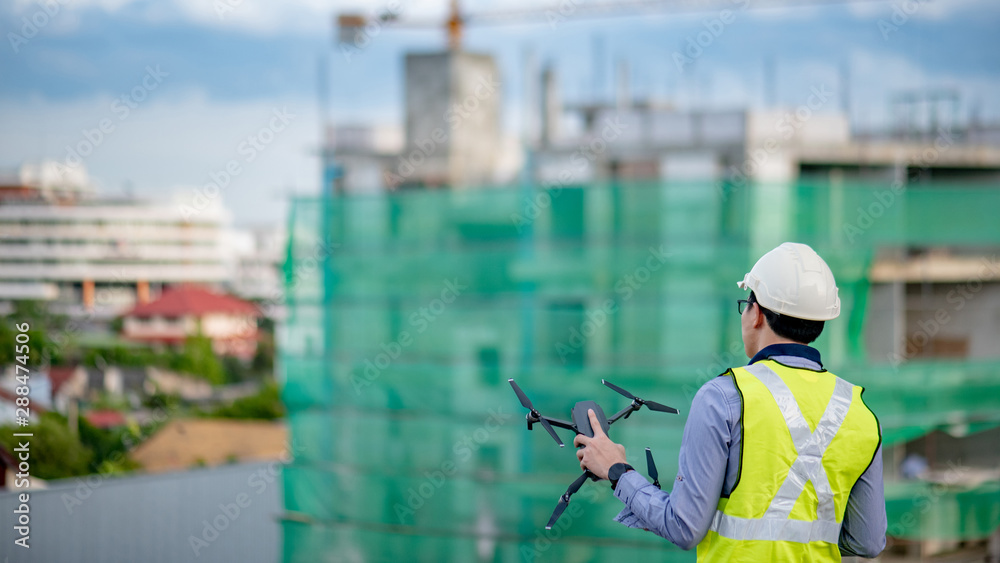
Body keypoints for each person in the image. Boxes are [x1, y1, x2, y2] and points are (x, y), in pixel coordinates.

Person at [575, 242, 886, 561]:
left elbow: (683, 527)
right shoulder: (858, 410)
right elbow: (868, 542)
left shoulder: (724, 396)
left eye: (745, 304)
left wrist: (617, 470)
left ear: (757, 314)